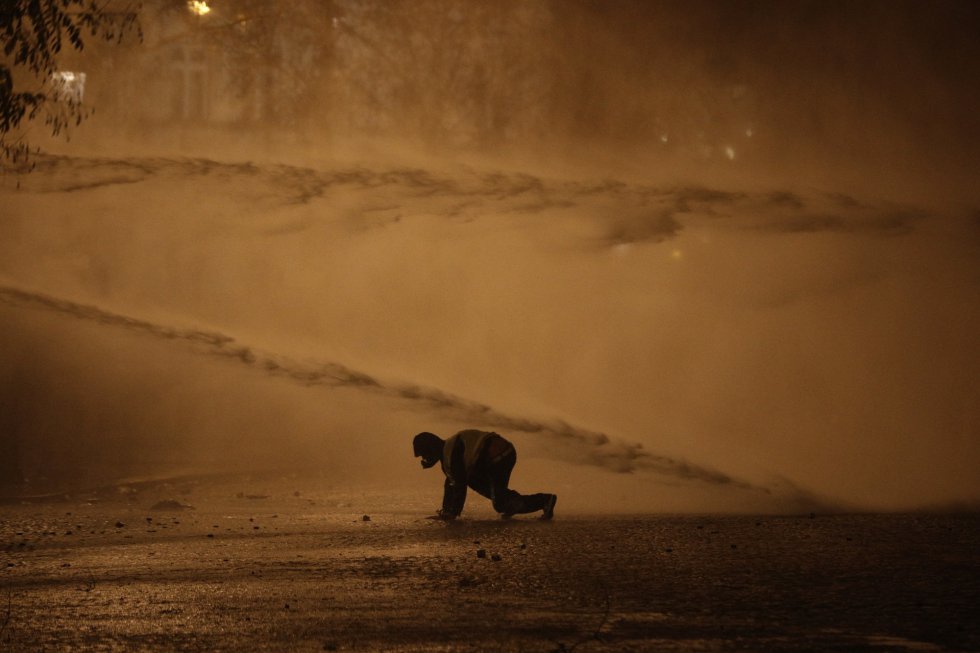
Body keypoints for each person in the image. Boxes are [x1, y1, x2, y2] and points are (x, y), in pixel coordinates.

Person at [413, 429, 557, 521]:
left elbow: (459, 484)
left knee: (500, 503)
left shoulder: (450, 454)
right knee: (491, 492)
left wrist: (452, 513)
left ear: (431, 449)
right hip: (502, 453)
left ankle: (543, 500)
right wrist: (446, 510)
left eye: (424, 454)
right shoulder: (449, 452)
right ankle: (511, 502)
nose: (424, 459)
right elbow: (451, 482)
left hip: (497, 457)